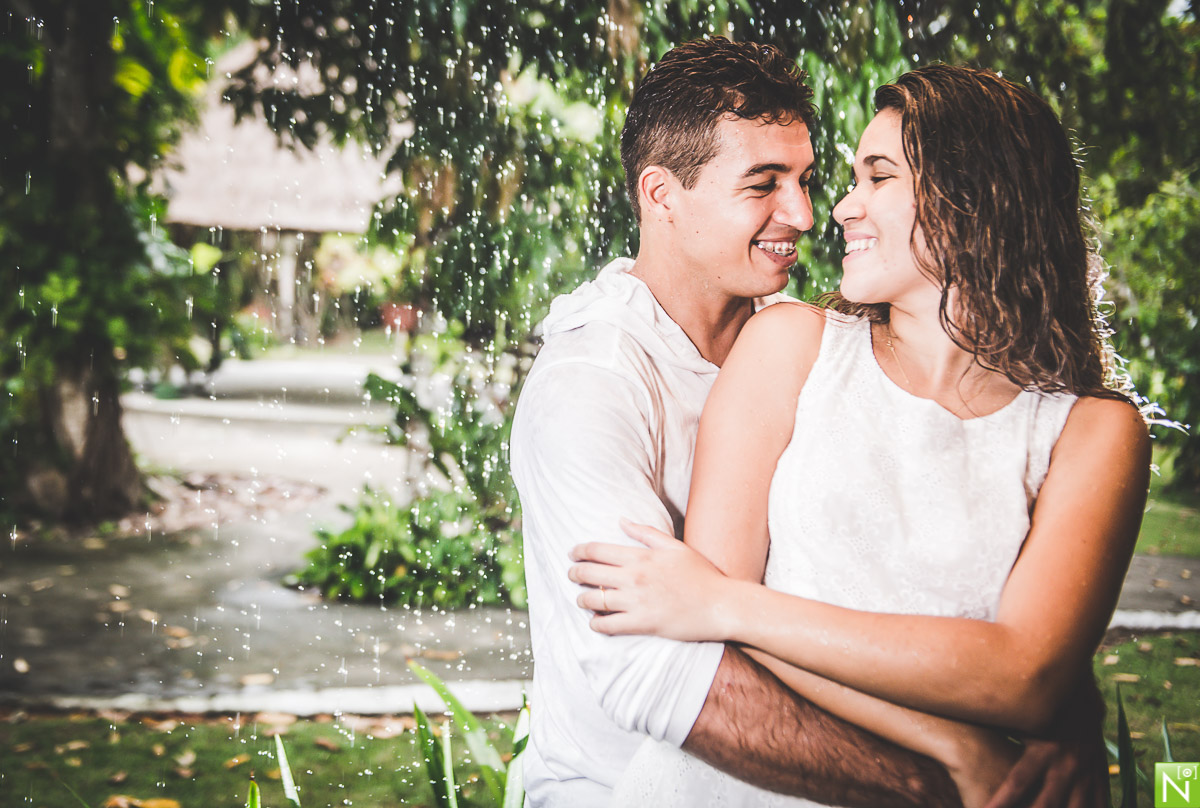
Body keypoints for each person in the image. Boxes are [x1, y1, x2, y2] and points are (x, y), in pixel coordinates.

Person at [513, 40, 1101, 808]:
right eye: (764, 184)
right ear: (661, 195)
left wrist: (1064, 706)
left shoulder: (797, 332)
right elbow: (655, 669)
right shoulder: (590, 387)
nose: (807, 213)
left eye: (807, 180)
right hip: (628, 782)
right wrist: (951, 771)